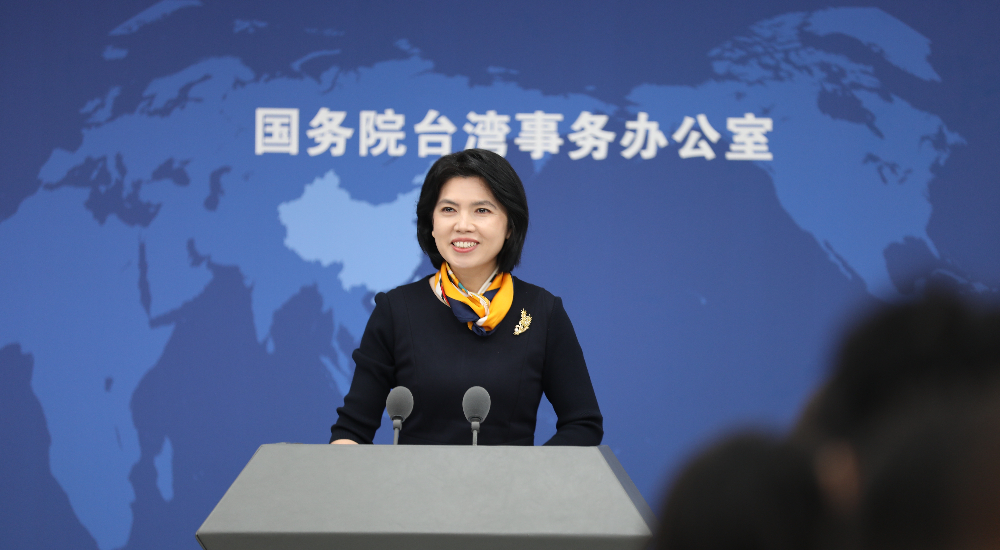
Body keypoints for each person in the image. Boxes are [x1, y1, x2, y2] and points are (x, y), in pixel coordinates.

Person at [329, 148, 603, 446]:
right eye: (448, 209)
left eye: (481, 210)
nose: (462, 225)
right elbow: (352, 431)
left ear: (510, 226)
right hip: (415, 478)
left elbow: (582, 424)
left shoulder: (541, 311)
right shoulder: (396, 310)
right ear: (431, 224)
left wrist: (527, 472)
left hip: (512, 478)